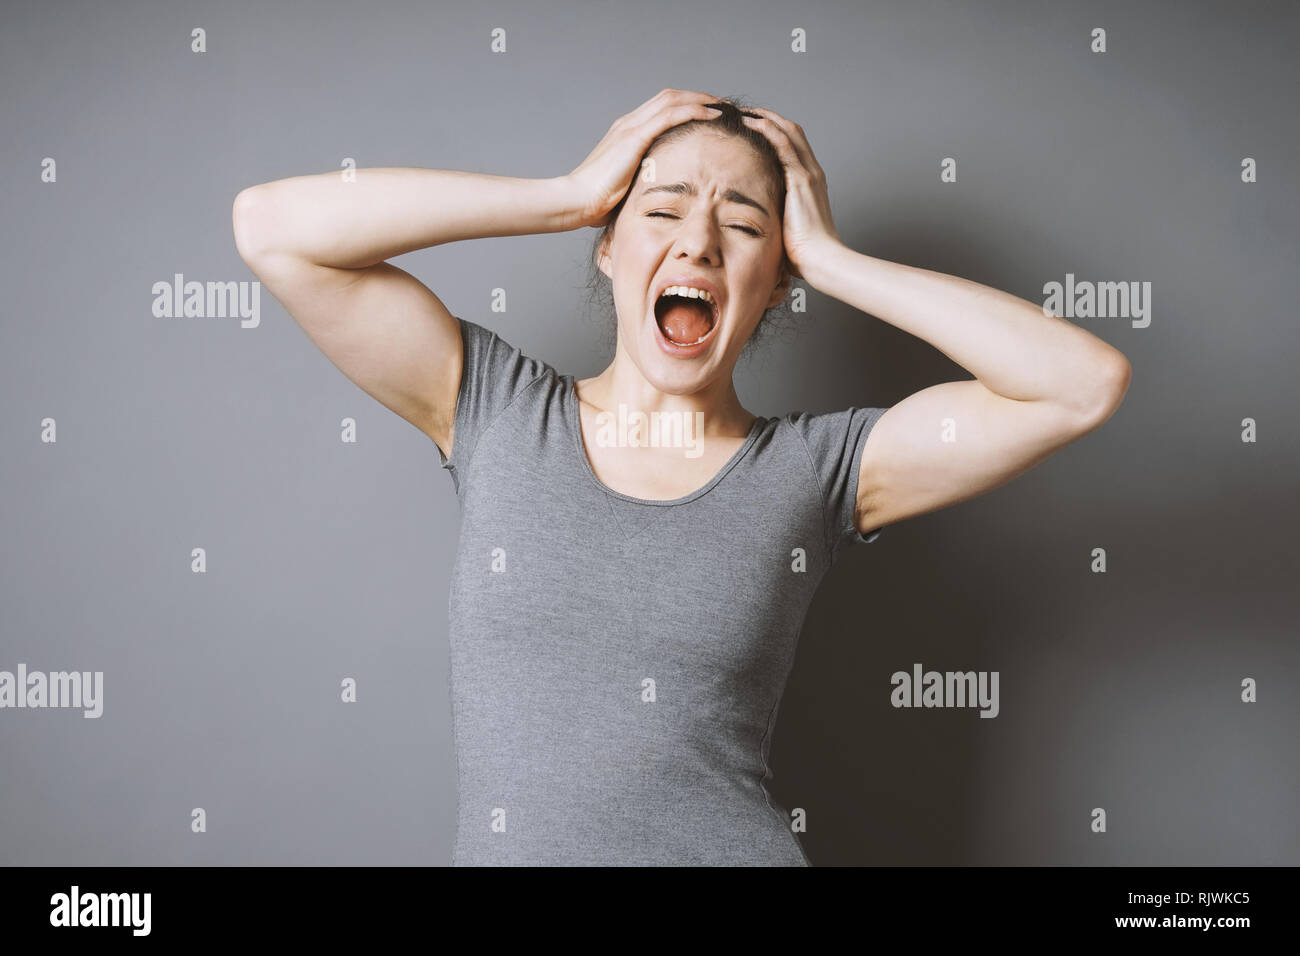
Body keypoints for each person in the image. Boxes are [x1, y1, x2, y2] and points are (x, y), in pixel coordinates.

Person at [232, 89, 1131, 866]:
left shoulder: (816, 472)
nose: (698, 241)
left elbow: (1081, 384)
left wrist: (832, 260)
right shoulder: (496, 410)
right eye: (662, 212)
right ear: (607, 249)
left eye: (743, 225)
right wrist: (567, 195)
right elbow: (271, 230)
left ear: (775, 283)